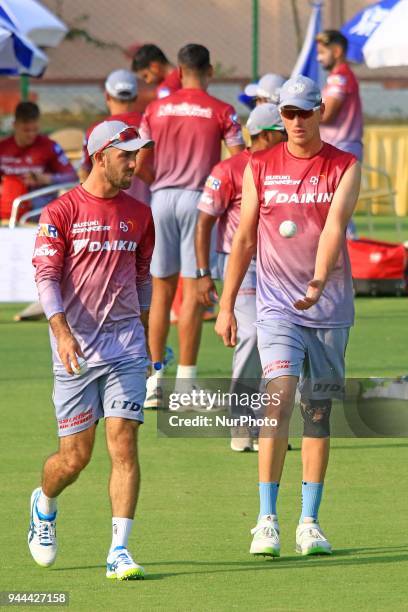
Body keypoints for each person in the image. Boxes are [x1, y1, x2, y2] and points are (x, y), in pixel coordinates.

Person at [215, 75, 360, 557]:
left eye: (304, 112)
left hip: (328, 305)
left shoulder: (344, 166)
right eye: (289, 113)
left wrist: (318, 282)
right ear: (280, 116)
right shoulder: (259, 165)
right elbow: (243, 239)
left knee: (317, 413)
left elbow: (334, 228)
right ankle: (266, 521)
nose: (296, 121)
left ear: (320, 111)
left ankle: (310, 522)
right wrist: (225, 303)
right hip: (276, 305)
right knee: (278, 399)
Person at [28, 120, 155, 580]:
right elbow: (45, 278)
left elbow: (142, 277)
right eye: (126, 155)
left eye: (137, 153)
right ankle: (44, 506)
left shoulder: (141, 213)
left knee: (124, 442)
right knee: (73, 459)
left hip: (125, 347)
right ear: (100, 155)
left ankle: (119, 550)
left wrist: (146, 339)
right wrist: (61, 332)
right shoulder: (61, 212)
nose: (134, 162)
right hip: (76, 350)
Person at [138, 43, 244, 408]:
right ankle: (185, 387)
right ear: (210, 71)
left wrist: (159, 182)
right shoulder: (222, 111)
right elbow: (239, 162)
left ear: (179, 72)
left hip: (161, 199)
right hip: (199, 202)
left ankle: (154, 384)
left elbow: (139, 162)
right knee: (192, 296)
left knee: (160, 294)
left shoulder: (155, 108)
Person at [195, 103, 287, 451]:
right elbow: (204, 222)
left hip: (281, 264)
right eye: (280, 131)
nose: (287, 135)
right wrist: (202, 272)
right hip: (239, 263)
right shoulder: (229, 168)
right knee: (250, 335)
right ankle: (240, 424)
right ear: (263, 135)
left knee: (280, 339)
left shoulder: (288, 166)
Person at [80, 69, 152, 205]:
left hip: (107, 210)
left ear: (107, 96)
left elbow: (85, 173)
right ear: (136, 97)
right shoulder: (152, 124)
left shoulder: (95, 132)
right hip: (151, 208)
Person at [0, 101, 77, 221]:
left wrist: (46, 179)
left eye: (35, 129)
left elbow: (72, 177)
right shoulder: (3, 148)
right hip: (7, 207)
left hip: (38, 210)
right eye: (26, 130)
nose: (31, 134)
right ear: (14, 125)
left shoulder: (49, 146)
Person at [316, 30, 363, 162]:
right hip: (341, 148)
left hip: (340, 150)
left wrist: (300, 115)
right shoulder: (341, 76)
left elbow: (326, 115)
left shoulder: (339, 77)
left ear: (336, 52)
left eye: (322, 53)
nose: (318, 58)